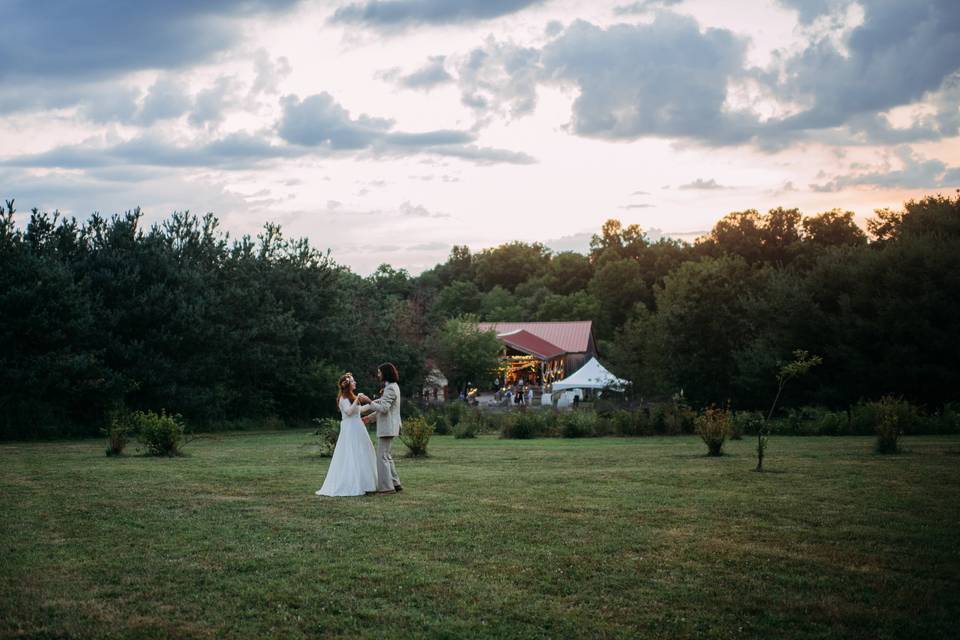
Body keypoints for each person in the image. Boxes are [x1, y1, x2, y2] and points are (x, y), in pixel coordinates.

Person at [315, 373, 378, 497]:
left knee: (364, 451)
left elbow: (359, 410)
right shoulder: (343, 399)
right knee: (351, 453)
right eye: (353, 381)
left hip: (358, 427)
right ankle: (352, 483)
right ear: (348, 385)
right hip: (350, 428)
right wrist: (357, 399)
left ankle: (366, 483)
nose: (355, 383)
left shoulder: (351, 397)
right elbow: (349, 412)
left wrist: (371, 402)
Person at [359, 363, 403, 494]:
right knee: (387, 456)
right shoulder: (392, 387)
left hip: (388, 428)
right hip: (390, 426)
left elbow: (384, 409)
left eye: (379, 372)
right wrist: (370, 418)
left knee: (382, 457)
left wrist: (368, 400)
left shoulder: (390, 388)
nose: (378, 375)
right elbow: (385, 407)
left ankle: (386, 488)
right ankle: (395, 483)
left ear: (385, 373)